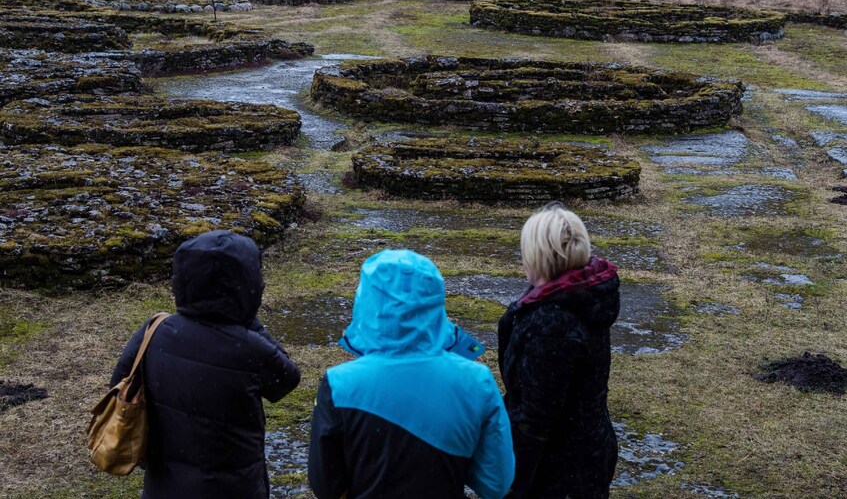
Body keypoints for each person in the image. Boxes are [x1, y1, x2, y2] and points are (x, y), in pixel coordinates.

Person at [308, 249, 515, 499]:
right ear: (436, 302)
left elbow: (325, 486)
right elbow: (496, 484)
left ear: (367, 303)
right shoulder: (477, 381)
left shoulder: (339, 385)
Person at [110, 230, 301, 499]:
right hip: (235, 487)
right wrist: (248, 318)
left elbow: (119, 388)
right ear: (249, 284)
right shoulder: (250, 347)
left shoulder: (154, 331)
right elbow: (287, 380)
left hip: (165, 483)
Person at [498, 203, 620, 498]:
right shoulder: (584, 296)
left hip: (558, 469)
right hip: (589, 445)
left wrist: (513, 481)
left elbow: (537, 419)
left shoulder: (551, 323)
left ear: (538, 256)